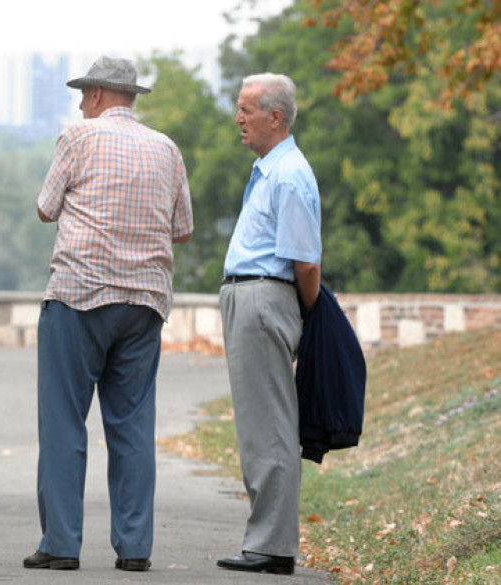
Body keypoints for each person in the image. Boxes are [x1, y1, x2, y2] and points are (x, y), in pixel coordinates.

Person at [23, 56, 193, 573]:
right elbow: (182, 228)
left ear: (98, 95)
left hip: (78, 295)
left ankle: (61, 544)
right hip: (144, 303)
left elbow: (45, 207)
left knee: (64, 423)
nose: (79, 103)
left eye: (83, 94)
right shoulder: (167, 148)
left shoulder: (78, 137)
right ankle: (135, 548)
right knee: (133, 426)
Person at [216, 73, 322, 576]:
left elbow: (305, 262)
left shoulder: (288, 174)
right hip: (251, 297)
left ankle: (273, 546)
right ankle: (267, 540)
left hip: (264, 298)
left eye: (247, 109)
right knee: (258, 426)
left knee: (270, 427)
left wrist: (303, 314)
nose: (238, 118)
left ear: (274, 117)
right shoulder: (269, 170)